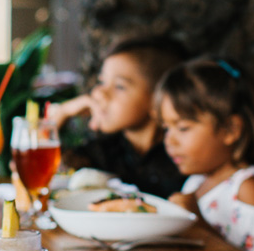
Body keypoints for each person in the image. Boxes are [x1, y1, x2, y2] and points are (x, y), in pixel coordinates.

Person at [144, 58, 254, 251]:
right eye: (166, 128)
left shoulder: (249, 189)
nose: (169, 141)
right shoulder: (194, 183)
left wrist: (199, 225)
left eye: (183, 128)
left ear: (230, 129)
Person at [52, 35, 189, 199]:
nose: (99, 92)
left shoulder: (182, 155)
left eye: (119, 86)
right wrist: (62, 113)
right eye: (102, 82)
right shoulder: (105, 151)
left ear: (158, 100)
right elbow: (39, 171)